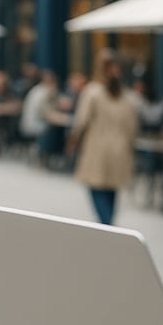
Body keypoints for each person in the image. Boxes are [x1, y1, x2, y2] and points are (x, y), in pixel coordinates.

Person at [67, 49, 138, 225]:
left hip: (97, 149)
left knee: (97, 188)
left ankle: (107, 227)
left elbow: (81, 121)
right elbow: (132, 126)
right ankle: (109, 225)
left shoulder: (92, 92)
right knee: (111, 190)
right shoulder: (126, 96)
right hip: (120, 150)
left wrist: (73, 141)